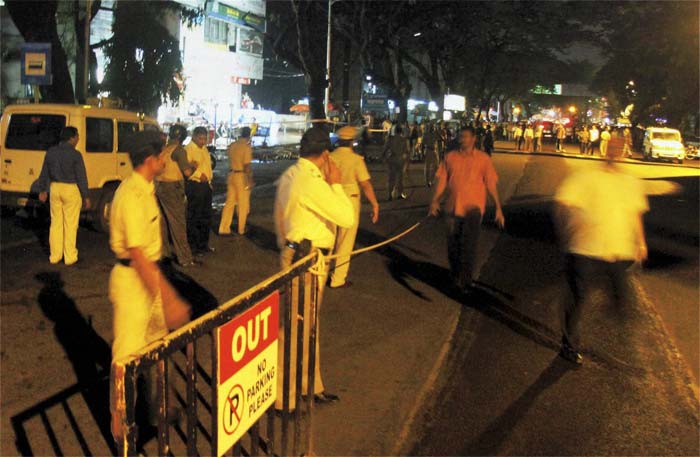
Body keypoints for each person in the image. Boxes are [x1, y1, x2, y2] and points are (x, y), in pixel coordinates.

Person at [108, 131, 191, 441]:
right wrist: (169, 299)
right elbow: (138, 254)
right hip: (133, 281)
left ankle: (160, 409)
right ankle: (121, 429)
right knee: (126, 357)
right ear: (149, 160)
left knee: (158, 347)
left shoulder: (145, 189)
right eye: (161, 156)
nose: (164, 160)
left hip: (149, 276)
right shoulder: (130, 195)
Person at [273, 126, 355, 409]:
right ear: (324, 155)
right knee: (296, 329)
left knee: (307, 327)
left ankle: (310, 385)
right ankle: (286, 398)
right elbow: (346, 217)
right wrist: (336, 184)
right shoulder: (312, 182)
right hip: (305, 261)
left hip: (301, 255)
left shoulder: (294, 175)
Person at [553, 143, 649, 365]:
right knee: (577, 296)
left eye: (620, 149)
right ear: (605, 151)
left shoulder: (630, 182)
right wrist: (566, 232)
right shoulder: (586, 177)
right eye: (612, 149)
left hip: (616, 248)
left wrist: (641, 242)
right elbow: (561, 204)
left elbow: (635, 212)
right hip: (584, 247)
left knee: (622, 293)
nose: (616, 153)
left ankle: (614, 314)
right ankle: (569, 344)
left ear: (625, 153)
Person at [429, 126, 505, 292]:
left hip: (473, 208)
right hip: (452, 207)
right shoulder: (450, 157)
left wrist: (498, 207)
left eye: (465, 136)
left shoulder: (483, 159)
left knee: (468, 245)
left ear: (473, 138)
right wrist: (434, 201)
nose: (461, 139)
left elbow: (490, 184)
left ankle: (465, 280)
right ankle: (455, 274)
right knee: (453, 245)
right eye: (460, 136)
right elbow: (442, 180)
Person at [329, 126, 380, 289]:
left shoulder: (329, 157)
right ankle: (338, 279)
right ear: (352, 142)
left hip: (331, 198)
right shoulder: (356, 160)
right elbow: (365, 184)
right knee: (345, 241)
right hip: (350, 200)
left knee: (329, 238)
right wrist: (374, 204)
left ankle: (320, 274)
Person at [37, 126, 90, 265]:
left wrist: (43, 190)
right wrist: (86, 196)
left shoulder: (51, 152)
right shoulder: (76, 155)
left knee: (55, 223)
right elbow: (81, 177)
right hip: (71, 189)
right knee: (70, 224)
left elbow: (44, 173)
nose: (78, 138)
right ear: (71, 138)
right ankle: (70, 256)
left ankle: (55, 256)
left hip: (55, 188)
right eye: (77, 136)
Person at [155, 124, 197, 267]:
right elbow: (187, 172)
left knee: (163, 223)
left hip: (158, 186)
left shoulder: (164, 149)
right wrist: (194, 166)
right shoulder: (179, 151)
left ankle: (164, 254)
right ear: (183, 137)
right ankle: (185, 258)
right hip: (172, 187)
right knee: (178, 223)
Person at [218, 127, 253, 236]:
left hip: (231, 174)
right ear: (249, 135)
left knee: (229, 203)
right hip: (241, 176)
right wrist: (250, 180)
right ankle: (241, 229)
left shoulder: (232, 145)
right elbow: (247, 165)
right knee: (243, 204)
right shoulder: (246, 147)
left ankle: (224, 228)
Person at [185, 127, 214, 255]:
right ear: (194, 137)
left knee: (206, 216)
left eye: (205, 139)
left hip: (206, 186)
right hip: (195, 186)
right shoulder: (189, 149)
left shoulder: (204, 149)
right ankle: (193, 246)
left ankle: (203, 244)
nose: (203, 141)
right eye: (201, 138)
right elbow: (187, 167)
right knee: (194, 217)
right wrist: (198, 174)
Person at [383, 124, 410, 200]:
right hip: (400, 160)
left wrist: (383, 157)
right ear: (401, 131)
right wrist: (407, 162)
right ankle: (400, 193)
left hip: (392, 159)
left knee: (391, 178)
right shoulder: (404, 140)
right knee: (400, 178)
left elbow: (385, 149)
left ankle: (389, 195)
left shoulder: (390, 139)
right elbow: (407, 151)